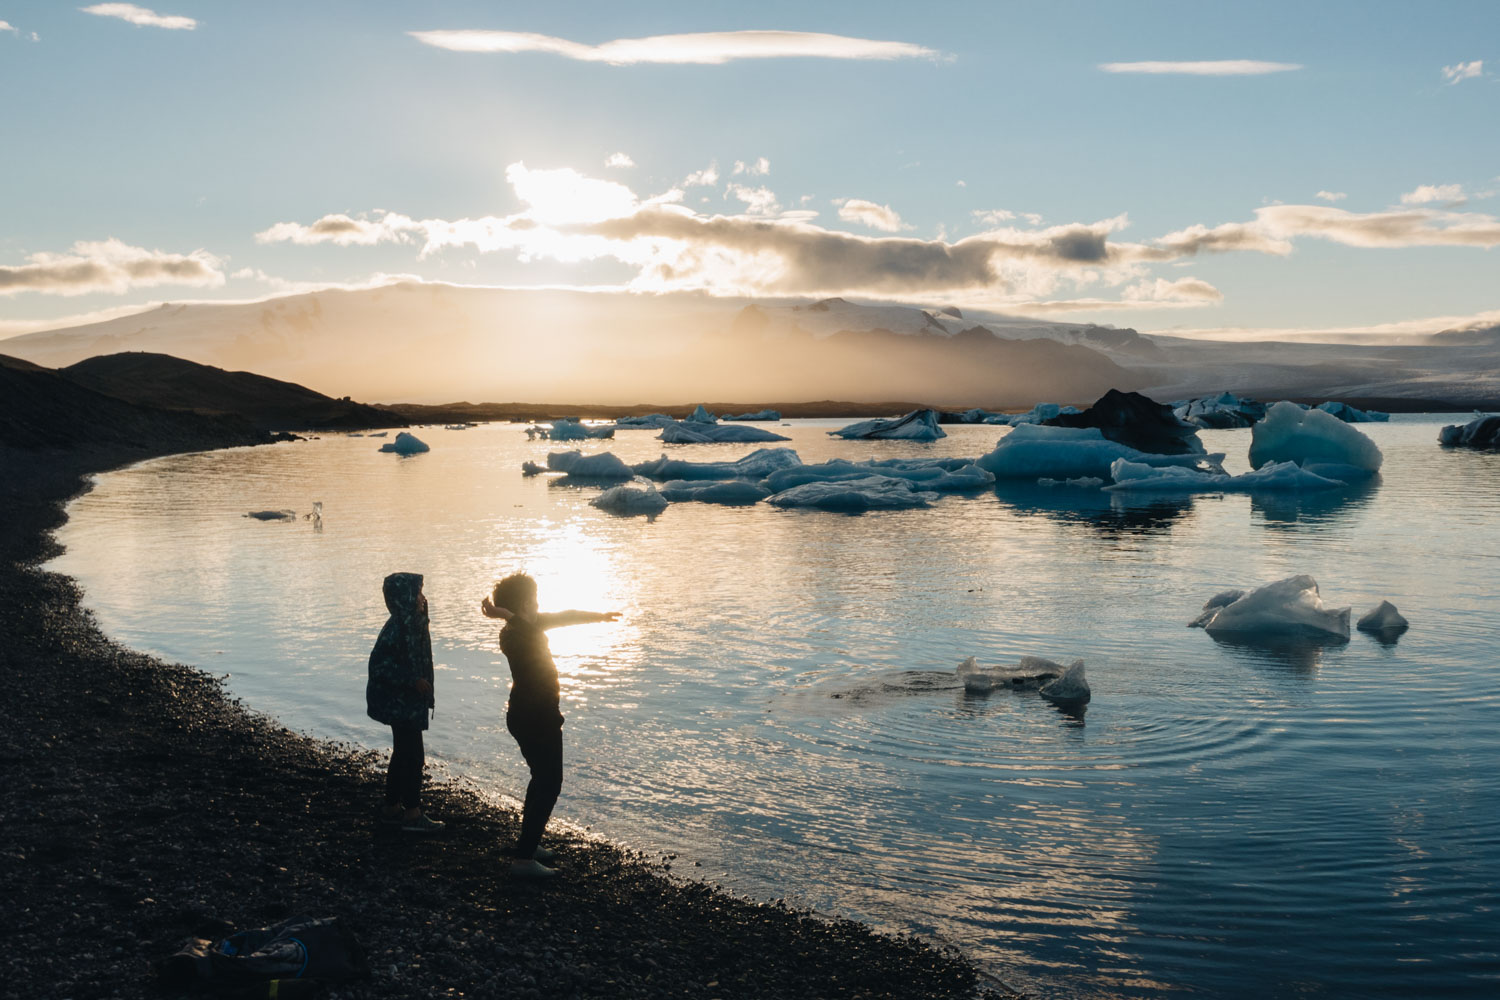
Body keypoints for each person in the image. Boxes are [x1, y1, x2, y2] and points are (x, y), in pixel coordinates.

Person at [482, 573, 619, 878]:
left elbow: (565, 616)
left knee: (541, 780)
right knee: (549, 782)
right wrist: (505, 615)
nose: (538, 604)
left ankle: (529, 843)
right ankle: (523, 860)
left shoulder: (529, 624)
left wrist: (600, 617)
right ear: (520, 606)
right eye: (532, 600)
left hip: (536, 715)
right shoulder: (514, 635)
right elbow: (524, 631)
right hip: (534, 718)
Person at [366, 572, 443, 833]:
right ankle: (412, 814)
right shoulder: (399, 625)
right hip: (399, 702)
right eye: (418, 593)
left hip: (407, 701)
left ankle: (390, 808)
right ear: (406, 598)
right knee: (413, 757)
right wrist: (412, 680)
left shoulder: (414, 623)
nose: (423, 598)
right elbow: (378, 665)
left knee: (403, 755)